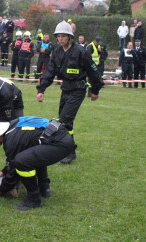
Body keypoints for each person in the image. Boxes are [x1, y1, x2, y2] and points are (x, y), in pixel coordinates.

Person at [36, 21, 104, 164]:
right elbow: (50, 71)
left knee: (64, 121)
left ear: (69, 37)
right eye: (58, 36)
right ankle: (70, 151)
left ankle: (67, 151)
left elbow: (93, 72)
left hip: (78, 90)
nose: (60, 39)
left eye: (63, 36)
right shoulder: (57, 51)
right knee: (67, 123)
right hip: (65, 89)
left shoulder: (81, 52)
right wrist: (41, 89)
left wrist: (95, 90)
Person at [0, 117, 74, 210]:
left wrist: (1, 189)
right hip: (60, 137)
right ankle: (44, 188)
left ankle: (34, 199)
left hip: (59, 144)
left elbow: (15, 168)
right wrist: (4, 171)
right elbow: (19, 154)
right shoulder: (13, 125)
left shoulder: (11, 140)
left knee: (22, 161)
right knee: (31, 156)